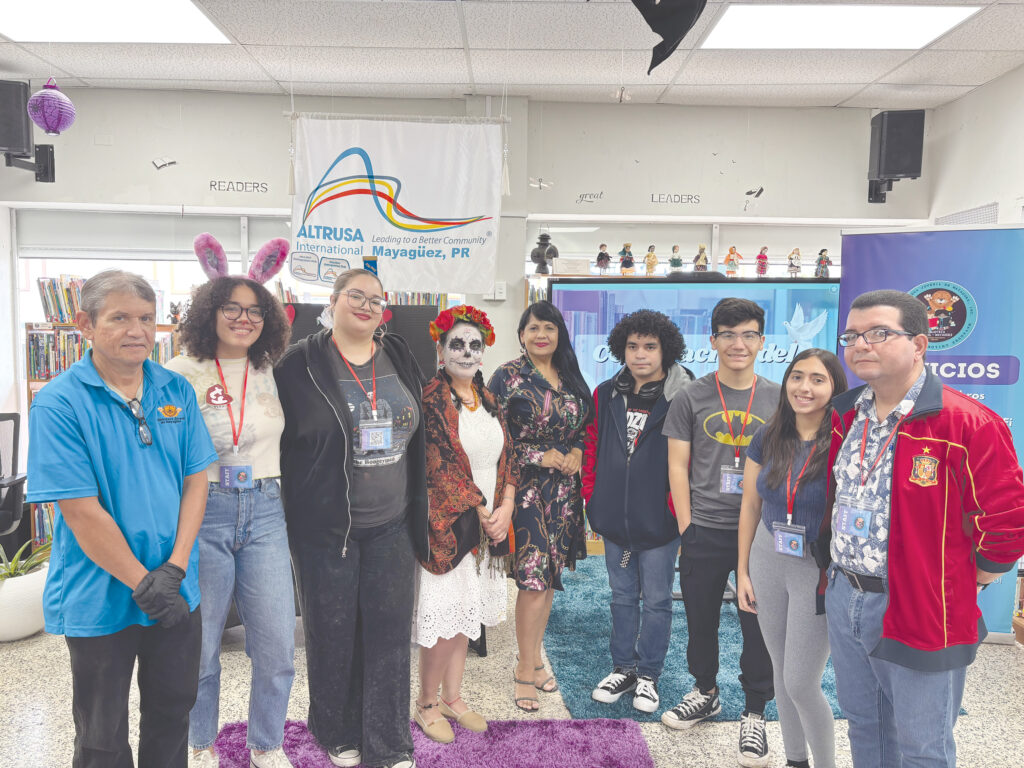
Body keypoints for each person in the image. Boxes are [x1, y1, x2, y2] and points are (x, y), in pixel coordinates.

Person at [26, 269, 217, 768]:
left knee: (173, 712)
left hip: (176, 591)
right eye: (120, 318)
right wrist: (144, 583)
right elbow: (81, 512)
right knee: (101, 732)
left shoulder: (174, 388)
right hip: (100, 596)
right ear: (85, 324)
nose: (137, 330)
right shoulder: (58, 402)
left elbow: (197, 479)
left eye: (146, 318)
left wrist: (173, 572)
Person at [825, 290, 1024, 767]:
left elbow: (1006, 517)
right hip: (845, 593)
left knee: (921, 745)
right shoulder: (845, 414)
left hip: (922, 603)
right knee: (864, 725)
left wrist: (969, 577)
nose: (861, 345)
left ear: (919, 344)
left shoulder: (966, 422)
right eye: (852, 335)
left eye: (878, 333)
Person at [275, 269, 427, 768]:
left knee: (389, 634)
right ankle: (337, 731)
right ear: (334, 301)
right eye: (355, 296)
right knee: (332, 632)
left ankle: (388, 741)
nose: (366, 305)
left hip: (393, 523)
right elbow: (283, 443)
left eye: (376, 300)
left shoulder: (399, 353)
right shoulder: (298, 363)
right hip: (326, 527)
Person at [165, 236, 295, 768]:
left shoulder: (274, 369)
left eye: (254, 310)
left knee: (277, 647)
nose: (244, 319)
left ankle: (267, 745)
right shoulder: (176, 372)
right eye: (232, 309)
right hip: (205, 510)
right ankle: (201, 743)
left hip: (266, 508)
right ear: (209, 311)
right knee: (202, 647)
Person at [661, 297, 780, 768]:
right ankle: (705, 691)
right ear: (712, 341)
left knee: (758, 623)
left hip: (762, 534)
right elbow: (677, 464)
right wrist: (687, 525)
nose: (738, 343)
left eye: (748, 334)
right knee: (701, 617)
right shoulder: (691, 396)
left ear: (762, 342)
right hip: (705, 528)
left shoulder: (778, 396)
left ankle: (755, 711)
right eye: (728, 335)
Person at [736, 349, 848, 768]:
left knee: (801, 682)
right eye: (797, 377)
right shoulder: (768, 435)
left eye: (817, 379)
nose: (805, 388)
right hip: (767, 556)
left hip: (815, 567)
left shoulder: (844, 440)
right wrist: (742, 569)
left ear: (834, 386)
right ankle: (795, 760)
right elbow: (749, 505)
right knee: (782, 676)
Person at [412, 306, 519, 742]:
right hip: (448, 529)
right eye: (456, 343)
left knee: (464, 617)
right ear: (440, 349)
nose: (466, 351)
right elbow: (436, 465)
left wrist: (507, 504)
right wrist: (479, 509)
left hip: (490, 523)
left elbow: (506, 456)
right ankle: (426, 704)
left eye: (475, 344)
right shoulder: (430, 399)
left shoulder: (490, 399)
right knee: (442, 621)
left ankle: (454, 697)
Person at [583, 310, 693, 714]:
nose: (640, 354)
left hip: (660, 521)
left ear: (666, 349)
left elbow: (693, 459)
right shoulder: (606, 393)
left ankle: (649, 675)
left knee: (659, 599)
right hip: (614, 517)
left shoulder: (684, 394)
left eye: (650, 346)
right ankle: (623, 667)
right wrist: (593, 497)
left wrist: (673, 508)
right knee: (621, 596)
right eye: (632, 346)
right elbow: (592, 448)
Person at [488, 300, 594, 713]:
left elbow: (585, 426)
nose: (541, 334)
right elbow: (494, 435)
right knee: (532, 579)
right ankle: (522, 671)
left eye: (548, 327)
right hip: (525, 490)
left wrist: (578, 451)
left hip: (565, 494)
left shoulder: (570, 374)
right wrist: (540, 456)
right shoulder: (508, 377)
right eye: (533, 328)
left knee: (549, 579)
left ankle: (533, 657)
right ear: (521, 334)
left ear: (559, 333)